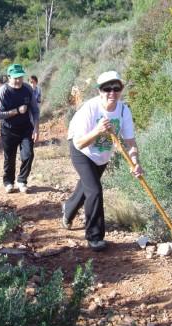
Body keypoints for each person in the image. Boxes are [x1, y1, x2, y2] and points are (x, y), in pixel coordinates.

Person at [62, 71, 143, 252]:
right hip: (81, 150)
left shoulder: (123, 110)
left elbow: (130, 142)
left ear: (121, 90)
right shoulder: (90, 109)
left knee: (87, 186)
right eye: (107, 88)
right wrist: (98, 131)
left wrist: (135, 162)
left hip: (102, 154)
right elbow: (80, 142)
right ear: (99, 91)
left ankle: (68, 210)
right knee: (95, 190)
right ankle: (95, 236)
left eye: (116, 88)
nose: (112, 92)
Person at [0, 64, 40, 194]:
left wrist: (36, 129)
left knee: (28, 155)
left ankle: (22, 180)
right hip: (8, 129)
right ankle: (8, 182)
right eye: (15, 78)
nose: (19, 80)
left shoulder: (27, 89)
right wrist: (16, 111)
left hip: (26, 128)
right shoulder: (3, 91)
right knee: (9, 157)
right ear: (9, 77)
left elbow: (35, 110)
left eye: (20, 77)